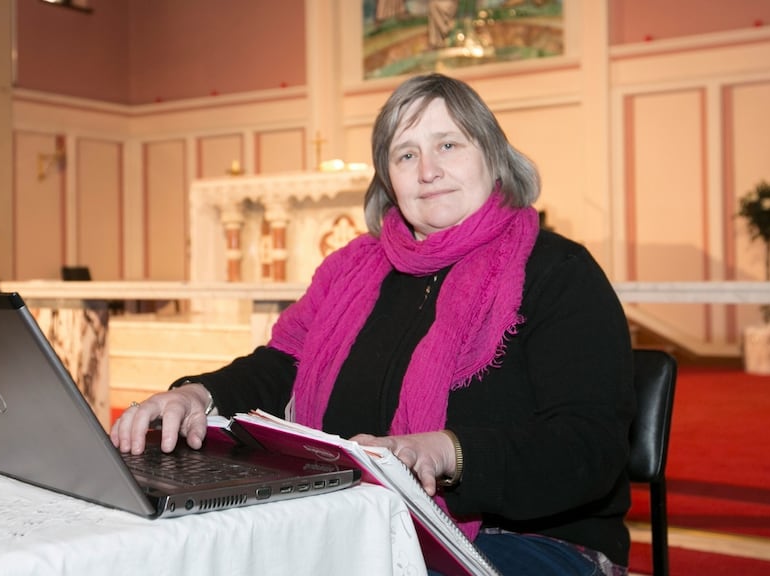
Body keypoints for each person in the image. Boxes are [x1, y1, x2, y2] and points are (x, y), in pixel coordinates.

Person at [112, 73, 635, 576]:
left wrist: (444, 451)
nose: (427, 170)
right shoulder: (352, 270)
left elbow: (587, 449)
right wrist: (196, 396)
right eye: (406, 154)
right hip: (356, 520)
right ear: (389, 179)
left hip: (530, 541)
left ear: (494, 159)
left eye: (449, 145)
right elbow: (281, 365)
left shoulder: (556, 272)